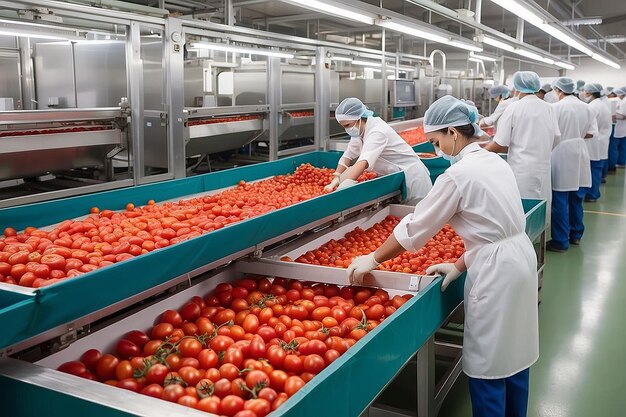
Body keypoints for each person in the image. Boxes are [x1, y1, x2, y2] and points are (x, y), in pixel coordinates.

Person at [347, 95, 538, 417]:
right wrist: (460, 262)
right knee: (515, 347)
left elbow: (417, 226)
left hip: (496, 271)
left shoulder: (458, 175)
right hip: (518, 257)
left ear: (453, 132)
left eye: (436, 141)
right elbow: (494, 227)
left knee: (488, 358)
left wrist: (374, 259)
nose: (437, 149)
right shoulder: (494, 162)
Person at [325, 97, 432, 204]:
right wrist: (337, 176)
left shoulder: (377, 131)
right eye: (343, 126)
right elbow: (347, 156)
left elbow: (363, 162)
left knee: (417, 214)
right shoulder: (359, 132)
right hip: (397, 176)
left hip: (413, 177)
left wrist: (343, 185)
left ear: (359, 118)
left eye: (347, 125)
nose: (347, 129)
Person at [485, 71, 560, 219]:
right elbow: (556, 137)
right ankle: (538, 238)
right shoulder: (549, 108)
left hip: (522, 169)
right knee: (540, 208)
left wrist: (479, 153)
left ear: (517, 88)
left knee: (522, 210)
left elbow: (500, 143)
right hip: (543, 166)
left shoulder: (514, 108)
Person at [548, 78, 598, 252]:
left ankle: (561, 241)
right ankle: (576, 235)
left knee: (560, 199)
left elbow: (551, 134)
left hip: (561, 153)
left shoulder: (555, 108)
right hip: (581, 151)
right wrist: (577, 133)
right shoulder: (586, 107)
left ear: (558, 90)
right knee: (577, 197)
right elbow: (591, 133)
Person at [580, 83, 612, 201]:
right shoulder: (602, 105)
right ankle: (594, 193)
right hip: (601, 142)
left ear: (589, 92)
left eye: (585, 91)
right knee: (596, 169)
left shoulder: (592, 107)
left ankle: (591, 194)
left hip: (593, 143)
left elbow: (589, 127)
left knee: (592, 170)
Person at [612, 87, 626, 169]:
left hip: (620, 127)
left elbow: (623, 116)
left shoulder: (624, 102)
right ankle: (622, 162)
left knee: (615, 147)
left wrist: (612, 113)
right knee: (623, 147)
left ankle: (619, 163)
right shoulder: (622, 101)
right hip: (622, 127)